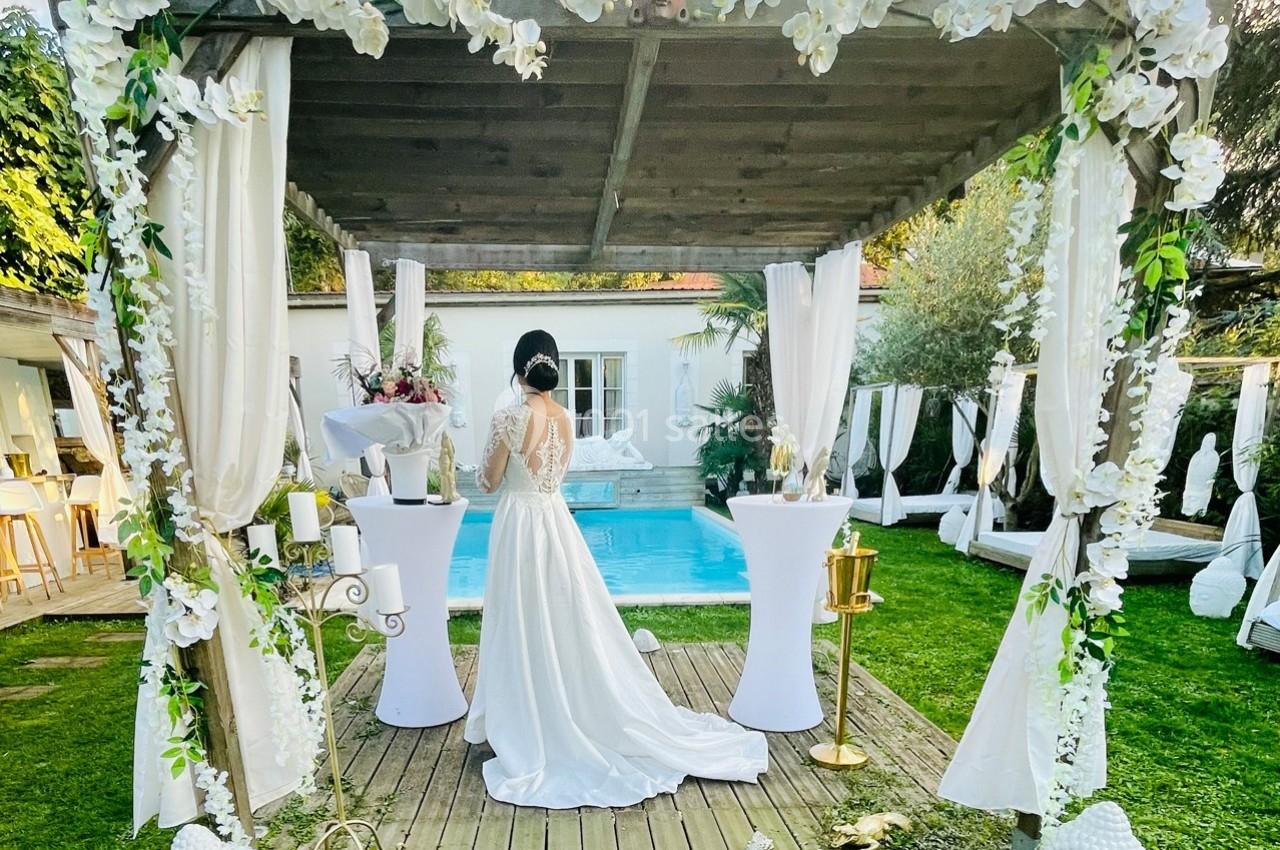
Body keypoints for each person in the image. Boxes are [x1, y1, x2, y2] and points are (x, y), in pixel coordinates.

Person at [464, 329, 769, 808]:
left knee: (519, 613)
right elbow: (557, 474)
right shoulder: (564, 417)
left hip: (520, 523)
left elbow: (488, 480)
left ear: (519, 369)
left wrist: (490, 467)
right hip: (555, 519)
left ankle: (523, 714)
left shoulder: (508, 417)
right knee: (563, 613)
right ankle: (562, 701)